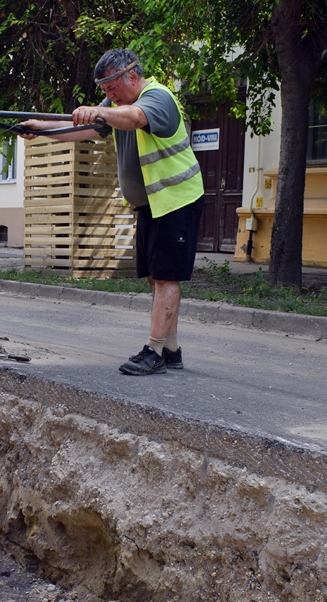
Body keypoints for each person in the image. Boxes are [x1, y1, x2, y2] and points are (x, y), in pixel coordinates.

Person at [21, 49, 204, 375]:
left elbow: (133, 118)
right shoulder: (116, 108)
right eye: (104, 92)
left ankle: (154, 351)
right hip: (152, 205)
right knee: (155, 276)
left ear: (131, 76)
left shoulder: (156, 98)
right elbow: (84, 129)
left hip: (177, 200)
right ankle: (171, 350)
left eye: (111, 88)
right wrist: (42, 128)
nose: (108, 97)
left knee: (166, 277)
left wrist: (96, 111)